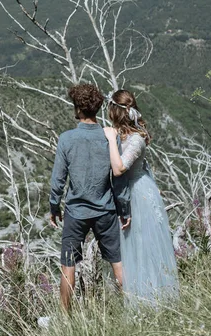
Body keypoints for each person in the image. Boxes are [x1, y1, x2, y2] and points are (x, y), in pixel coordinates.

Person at [50, 83, 131, 311]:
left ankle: (65, 320)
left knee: (68, 266)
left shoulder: (67, 139)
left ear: (77, 109)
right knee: (118, 262)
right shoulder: (109, 136)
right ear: (97, 108)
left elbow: (58, 180)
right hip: (105, 210)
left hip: (76, 212)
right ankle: (133, 310)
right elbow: (119, 179)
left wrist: (54, 207)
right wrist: (124, 209)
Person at [103, 89, 179, 305]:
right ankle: (135, 297)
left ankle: (152, 300)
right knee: (130, 248)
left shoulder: (136, 139)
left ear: (115, 112)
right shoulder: (121, 134)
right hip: (125, 195)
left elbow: (119, 168)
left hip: (139, 195)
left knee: (144, 244)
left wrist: (110, 139)